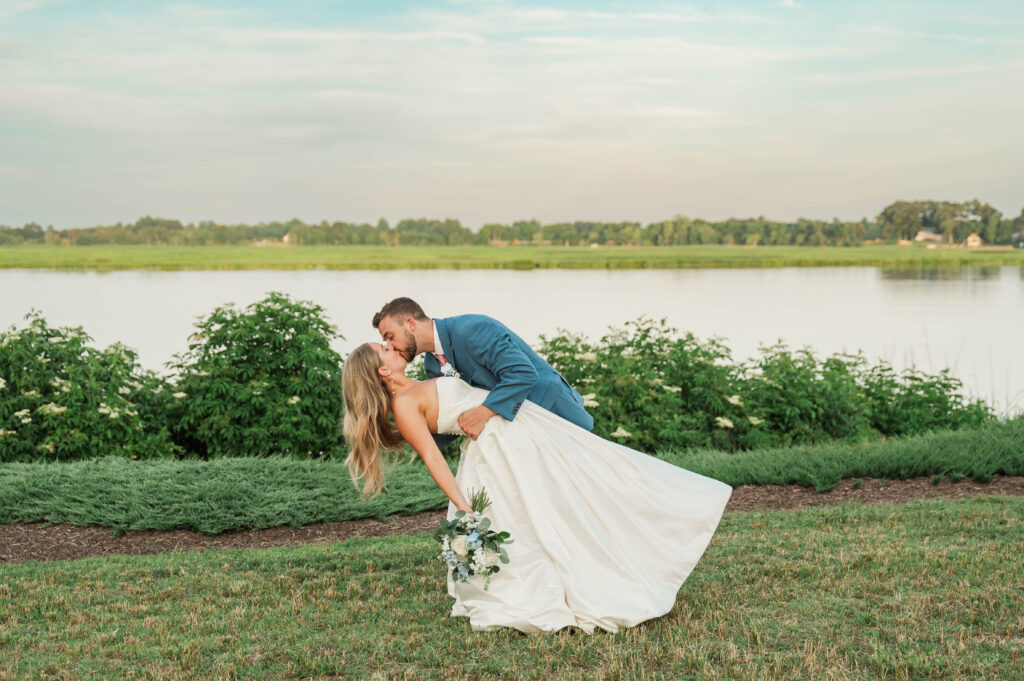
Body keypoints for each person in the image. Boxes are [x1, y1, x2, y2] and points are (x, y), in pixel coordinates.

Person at [342, 341, 733, 634]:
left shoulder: (418, 381)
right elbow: (433, 458)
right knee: (533, 518)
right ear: (380, 372)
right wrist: (462, 505)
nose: (392, 346)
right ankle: (555, 587)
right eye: (384, 348)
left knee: (587, 485)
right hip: (497, 455)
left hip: (520, 429)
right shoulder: (405, 407)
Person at [371, 297, 593, 450]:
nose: (390, 345)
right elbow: (457, 412)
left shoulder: (473, 329)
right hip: (518, 433)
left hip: (552, 412)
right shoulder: (432, 365)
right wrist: (405, 432)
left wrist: (483, 413)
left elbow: (523, 373)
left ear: (410, 323)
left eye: (390, 336)